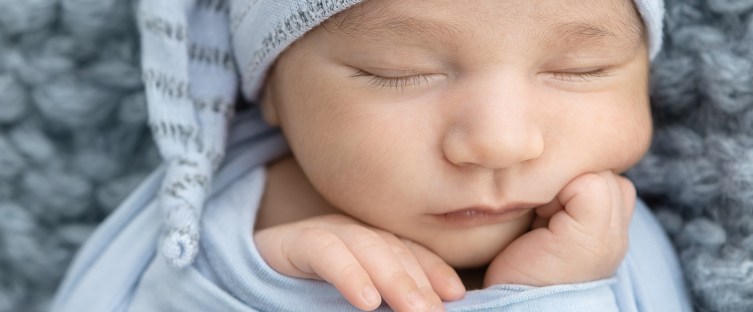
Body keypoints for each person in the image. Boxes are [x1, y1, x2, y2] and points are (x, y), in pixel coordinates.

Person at [52, 0, 691, 311]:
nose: (500, 141)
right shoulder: (205, 229)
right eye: (398, 72)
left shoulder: (608, 243)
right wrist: (263, 280)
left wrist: (554, 295)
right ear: (272, 89)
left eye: (581, 69)